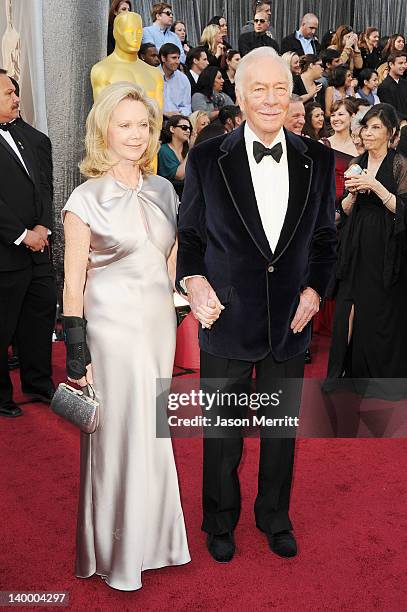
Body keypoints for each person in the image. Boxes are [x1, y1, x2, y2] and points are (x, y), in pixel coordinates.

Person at [176, 47, 336, 562]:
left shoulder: (318, 158)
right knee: (222, 435)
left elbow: (325, 242)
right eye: (259, 89)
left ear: (292, 95)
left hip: (290, 320)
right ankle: (218, 521)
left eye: (279, 89)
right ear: (239, 95)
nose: (270, 100)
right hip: (225, 316)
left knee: (280, 434)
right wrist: (195, 282)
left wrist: (314, 292)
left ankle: (274, 516)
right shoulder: (206, 158)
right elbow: (192, 236)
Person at [62, 82, 190, 590]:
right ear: (104, 131)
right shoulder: (84, 197)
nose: (136, 135)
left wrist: (182, 307)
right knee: (117, 435)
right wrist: (77, 346)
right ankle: (117, 553)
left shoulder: (164, 190)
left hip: (158, 327)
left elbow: (172, 262)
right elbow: (73, 281)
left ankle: (156, 540)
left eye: (143, 125)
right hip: (111, 331)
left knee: (153, 430)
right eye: (125, 124)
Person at [326, 104, 407, 397]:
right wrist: (351, 193)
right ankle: (340, 371)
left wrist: (376, 187)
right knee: (348, 302)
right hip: (356, 240)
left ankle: (381, 377)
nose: (368, 132)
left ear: (392, 134)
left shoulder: (400, 164)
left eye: (376, 127)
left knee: (380, 307)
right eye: (366, 126)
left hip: (387, 244)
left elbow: (403, 210)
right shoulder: (356, 161)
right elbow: (344, 211)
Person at [0, 69, 56, 418]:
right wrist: (22, 235)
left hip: (38, 249)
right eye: (8, 93)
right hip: (6, 250)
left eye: (15, 92)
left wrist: (42, 228)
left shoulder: (31, 137)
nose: (17, 98)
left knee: (40, 316)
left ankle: (38, 382)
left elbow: (45, 187)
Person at [328, 99, 358, 202]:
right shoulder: (322, 145)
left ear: (352, 116)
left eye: (340, 114)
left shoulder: (360, 147)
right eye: (333, 115)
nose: (336, 119)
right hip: (326, 205)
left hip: (351, 204)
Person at [158, 114, 192, 196]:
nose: (188, 131)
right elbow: (179, 176)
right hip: (167, 194)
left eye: (189, 128)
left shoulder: (188, 149)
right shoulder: (163, 150)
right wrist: (191, 151)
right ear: (172, 129)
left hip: (187, 194)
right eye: (184, 127)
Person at [159, 42, 191, 118]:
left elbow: (187, 106)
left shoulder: (183, 79)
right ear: (163, 58)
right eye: (174, 58)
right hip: (157, 119)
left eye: (178, 58)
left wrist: (179, 114)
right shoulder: (153, 76)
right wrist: (164, 113)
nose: (178, 62)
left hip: (178, 121)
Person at [377, 52, 407, 116]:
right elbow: (389, 111)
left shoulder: (405, 83)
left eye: (405, 63)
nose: (404, 66)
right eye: (400, 63)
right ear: (391, 64)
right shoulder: (384, 87)